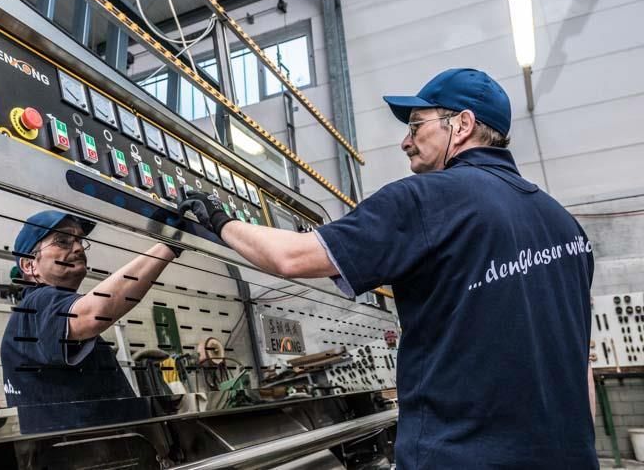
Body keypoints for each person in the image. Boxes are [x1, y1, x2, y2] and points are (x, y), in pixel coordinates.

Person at [178, 69, 597, 468]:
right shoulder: (566, 225)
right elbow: (583, 363)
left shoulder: (427, 200)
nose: (406, 142)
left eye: (416, 126)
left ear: (462, 124)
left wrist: (220, 220)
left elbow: (292, 257)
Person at [0, 210, 180, 434]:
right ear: (29, 266)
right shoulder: (39, 302)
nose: (77, 248)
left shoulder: (35, 311)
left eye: (79, 240)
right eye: (62, 241)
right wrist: (170, 245)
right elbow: (94, 313)